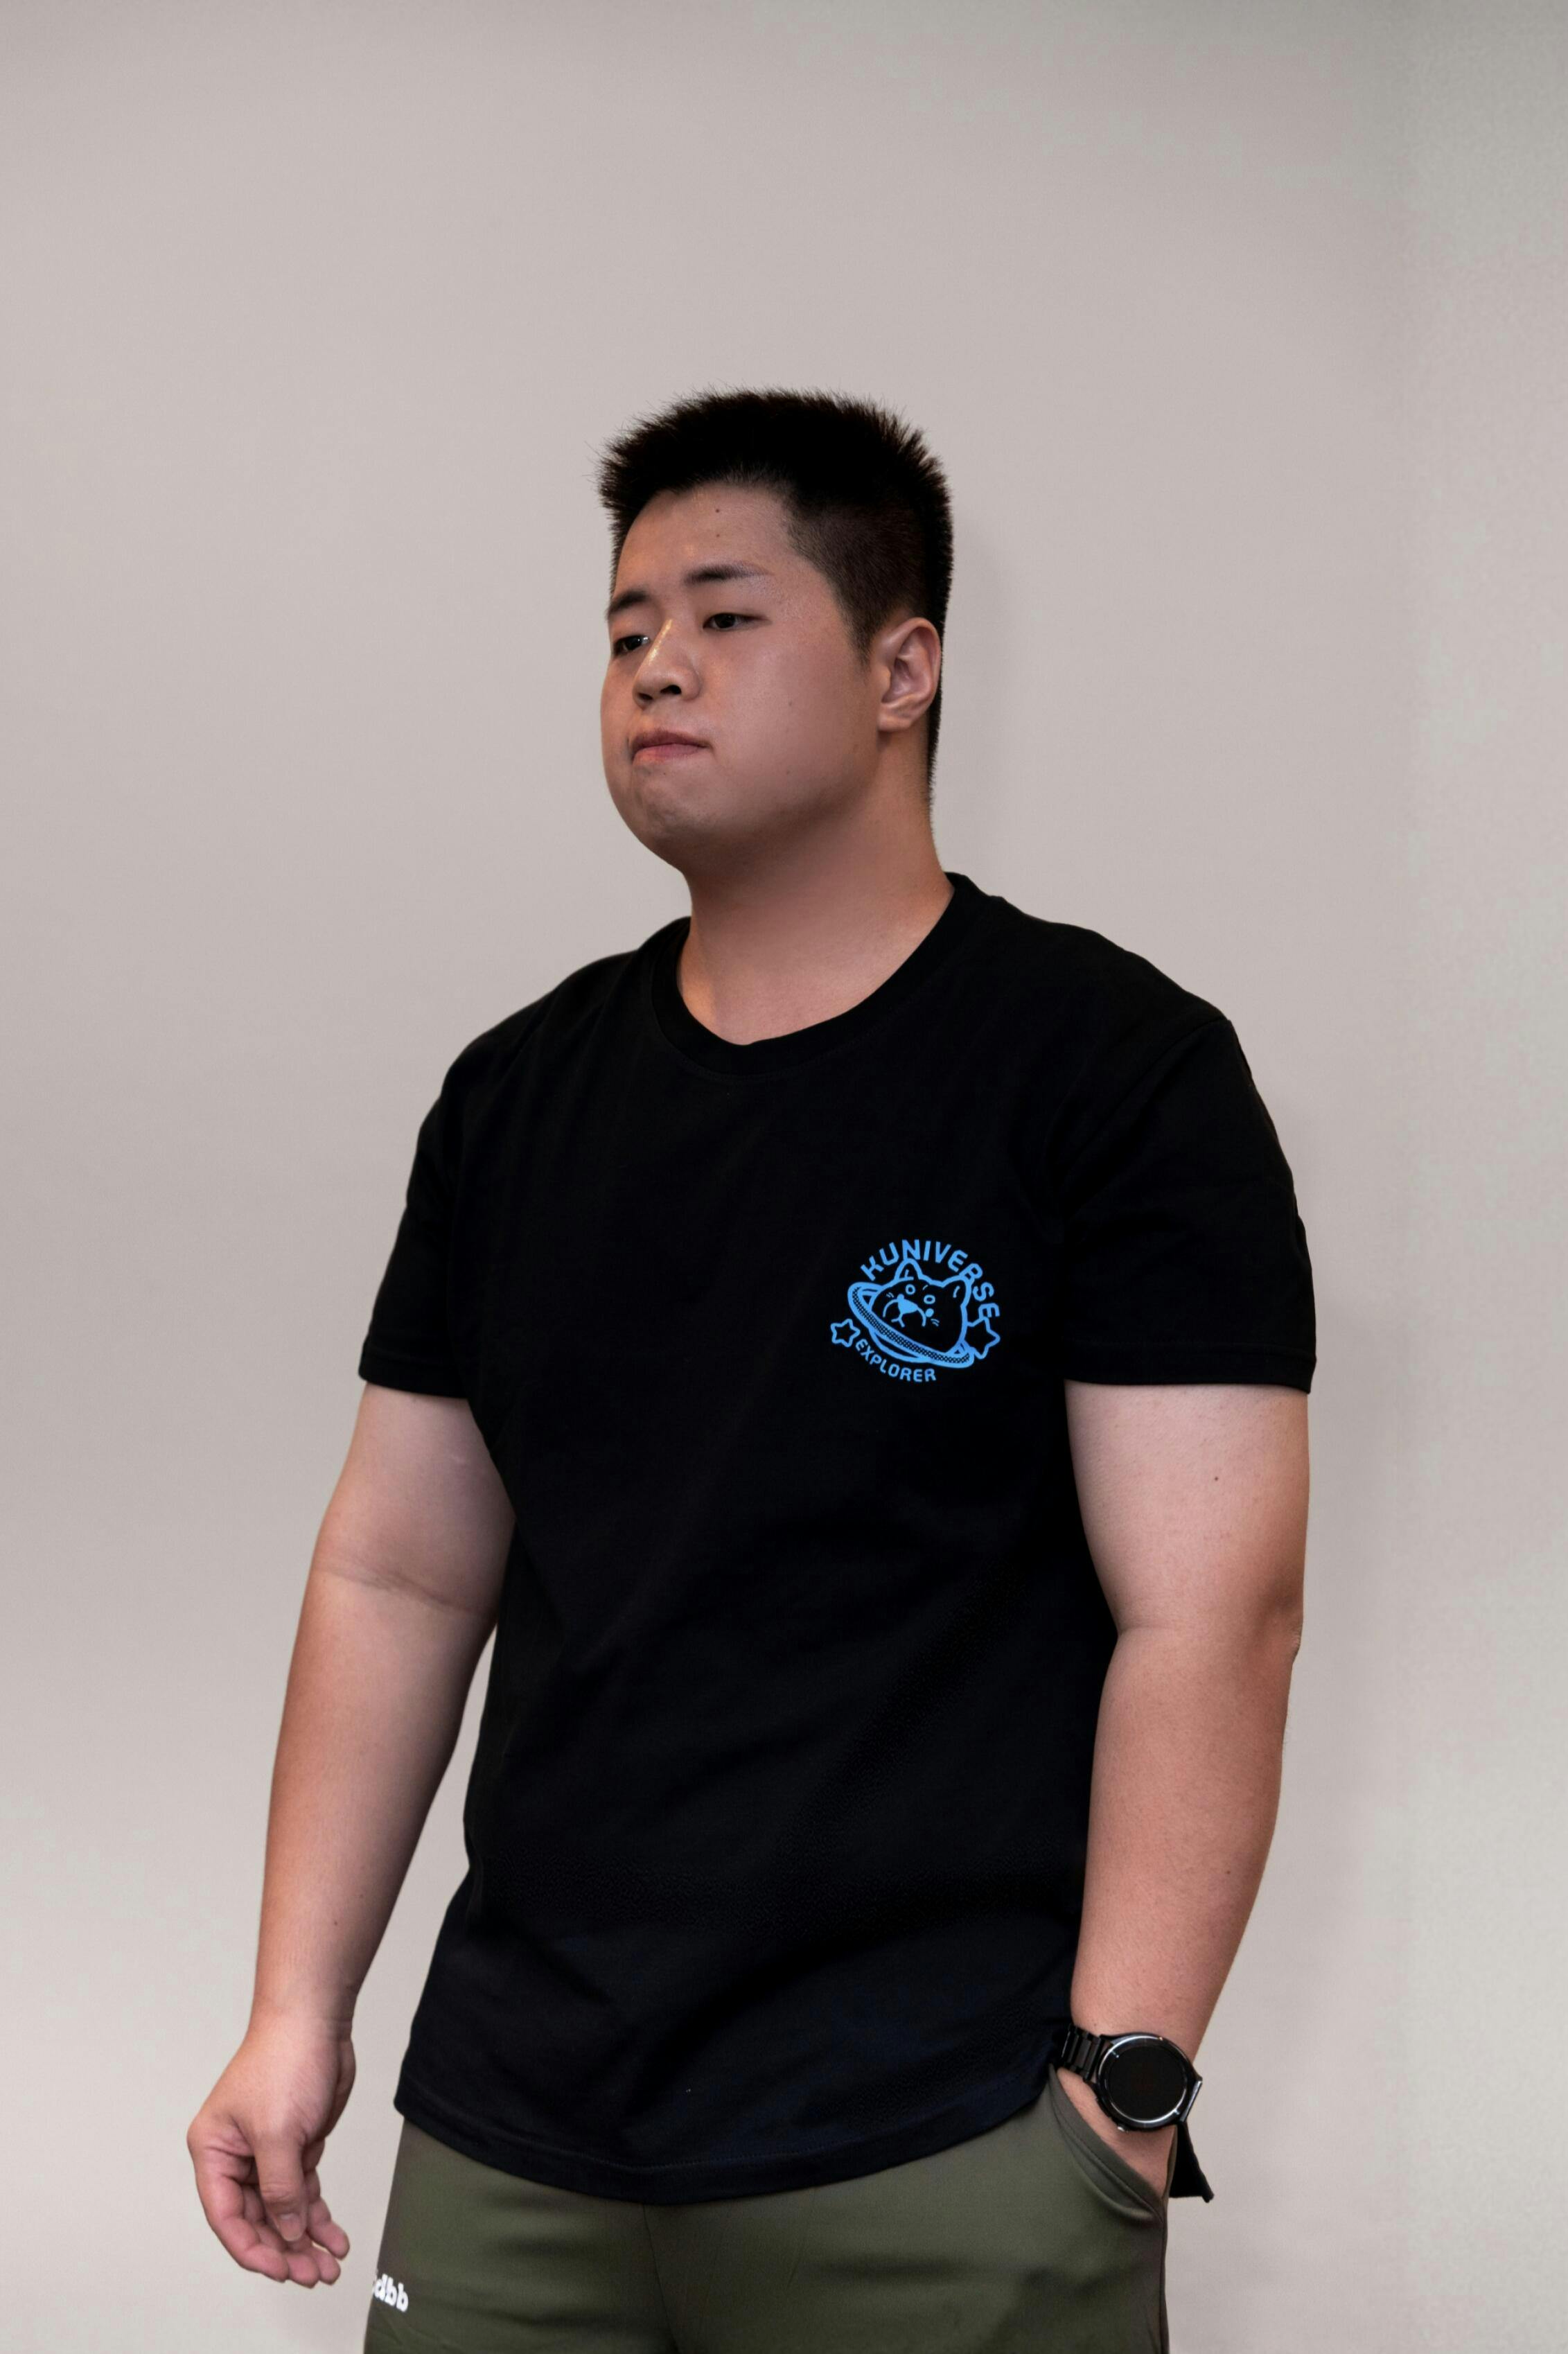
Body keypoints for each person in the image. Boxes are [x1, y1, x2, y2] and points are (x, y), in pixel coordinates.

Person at [187, 388, 1314, 2353]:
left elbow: (1217, 1612)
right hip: (514, 2142)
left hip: (939, 2143)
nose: (656, 668)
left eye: (724, 616)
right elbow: (400, 1574)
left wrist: (1117, 2099)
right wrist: (297, 2013)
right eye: (626, 629)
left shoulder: (1112, 1073)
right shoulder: (516, 1097)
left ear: (902, 669)